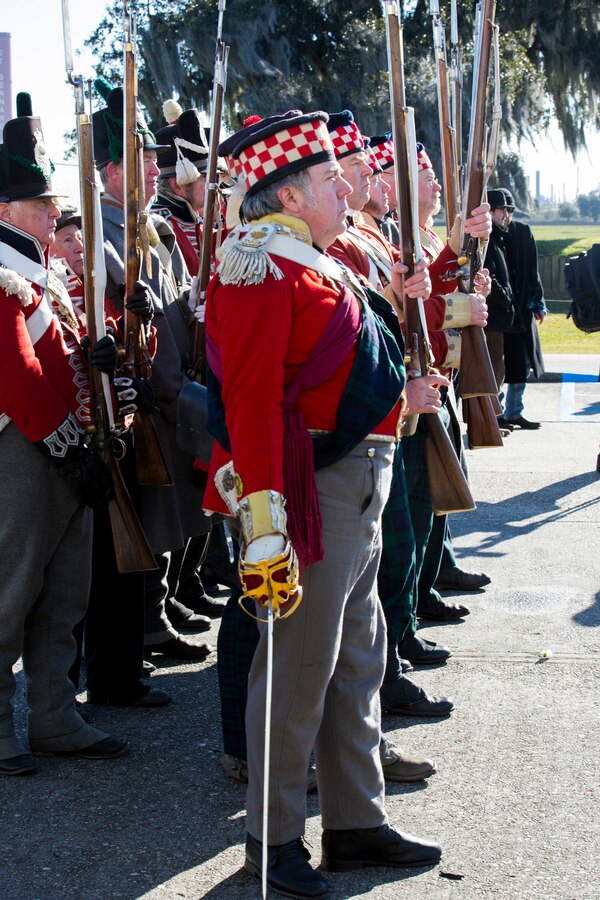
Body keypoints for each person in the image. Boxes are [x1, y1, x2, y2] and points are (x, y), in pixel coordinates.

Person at [207, 109, 442, 898]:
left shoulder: (317, 261)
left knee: (356, 663)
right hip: (310, 493)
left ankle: (356, 824)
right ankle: (272, 846)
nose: (346, 187)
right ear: (289, 193)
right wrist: (265, 523)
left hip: (358, 479)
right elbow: (247, 400)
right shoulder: (255, 264)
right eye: (329, 178)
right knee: (295, 671)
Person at [0, 92, 128, 774]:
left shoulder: (40, 269)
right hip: (20, 445)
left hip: (63, 438)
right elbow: (15, 375)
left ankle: (53, 714)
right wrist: (63, 444)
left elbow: (55, 354)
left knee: (63, 590)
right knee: (9, 589)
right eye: (39, 202)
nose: (55, 212)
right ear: (4, 209)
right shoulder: (2, 269)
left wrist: (92, 363)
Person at [92, 77, 214, 661]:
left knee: (167, 511)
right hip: (140, 392)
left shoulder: (147, 226)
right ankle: (145, 622)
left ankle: (159, 606)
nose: (154, 171)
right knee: (147, 512)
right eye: (141, 161)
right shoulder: (104, 233)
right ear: (114, 171)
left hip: (166, 384)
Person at [492, 188, 547, 430]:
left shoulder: (522, 232)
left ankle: (515, 411)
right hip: (499, 311)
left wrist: (538, 303)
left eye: (510, 210)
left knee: (521, 362)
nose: (507, 214)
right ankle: (498, 413)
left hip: (521, 307)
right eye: (504, 209)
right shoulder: (490, 235)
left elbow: (532, 270)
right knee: (499, 363)